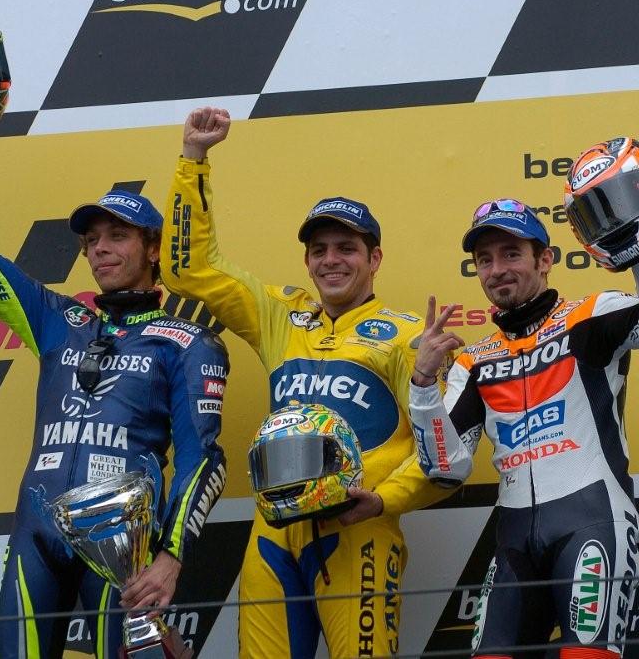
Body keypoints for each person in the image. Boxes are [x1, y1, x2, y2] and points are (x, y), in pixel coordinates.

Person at [0, 85, 228, 658]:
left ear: (153, 248)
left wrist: (171, 556)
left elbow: (203, 458)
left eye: (117, 236)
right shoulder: (58, 320)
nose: (100, 250)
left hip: (124, 547)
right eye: (92, 241)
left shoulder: (188, 342)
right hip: (36, 535)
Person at [161, 107, 454, 658]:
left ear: (375, 258)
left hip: (359, 527)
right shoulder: (281, 315)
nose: (330, 261)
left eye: (346, 248)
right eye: (319, 250)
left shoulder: (409, 336)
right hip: (274, 531)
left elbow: (446, 458)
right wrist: (193, 160)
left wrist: (383, 501)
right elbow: (188, 270)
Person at [409, 141, 639, 658]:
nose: (497, 269)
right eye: (484, 260)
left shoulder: (589, 316)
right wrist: (423, 385)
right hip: (514, 542)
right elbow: (445, 468)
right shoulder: (473, 362)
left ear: (545, 260)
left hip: (593, 524)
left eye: (511, 254)